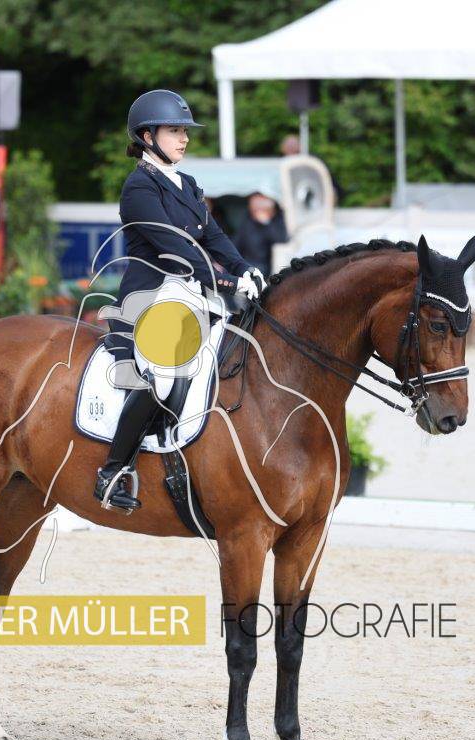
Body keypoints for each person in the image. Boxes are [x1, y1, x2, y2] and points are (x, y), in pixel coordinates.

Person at [94, 89, 266, 512]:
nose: (184, 139)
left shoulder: (186, 184)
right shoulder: (139, 187)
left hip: (190, 296)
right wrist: (227, 283)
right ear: (148, 136)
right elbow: (176, 250)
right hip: (151, 298)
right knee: (163, 377)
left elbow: (213, 237)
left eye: (185, 132)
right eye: (175, 131)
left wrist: (244, 267)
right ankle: (112, 470)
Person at [233, 192, 288, 276]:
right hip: (247, 261)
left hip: (266, 265)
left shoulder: (278, 218)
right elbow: (237, 241)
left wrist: (266, 222)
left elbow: (281, 239)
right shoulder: (248, 220)